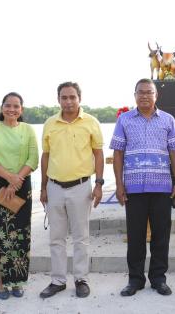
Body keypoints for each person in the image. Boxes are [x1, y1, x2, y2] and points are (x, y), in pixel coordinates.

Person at [111, 78, 175, 297]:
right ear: (134, 95)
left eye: (148, 92)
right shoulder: (124, 120)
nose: (144, 96)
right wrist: (119, 185)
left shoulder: (168, 120)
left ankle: (159, 279)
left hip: (162, 188)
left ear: (156, 95)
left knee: (161, 235)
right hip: (133, 189)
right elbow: (118, 153)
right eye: (140, 92)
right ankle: (135, 280)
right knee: (135, 236)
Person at [39, 82, 104, 299]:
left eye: (72, 97)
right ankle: (58, 280)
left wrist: (99, 184)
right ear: (58, 99)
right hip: (54, 187)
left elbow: (98, 154)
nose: (68, 101)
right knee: (56, 237)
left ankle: (81, 279)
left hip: (81, 187)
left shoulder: (91, 122)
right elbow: (46, 156)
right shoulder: (50, 123)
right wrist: (43, 187)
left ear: (79, 98)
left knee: (80, 237)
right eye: (64, 97)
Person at [0, 92, 38, 299]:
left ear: (21, 109)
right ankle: (1, 282)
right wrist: (9, 178)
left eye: (16, 106)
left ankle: (17, 281)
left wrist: (16, 180)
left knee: (20, 235)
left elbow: (33, 159)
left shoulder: (28, 129)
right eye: (8, 105)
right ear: (1, 107)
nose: (11, 109)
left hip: (22, 186)